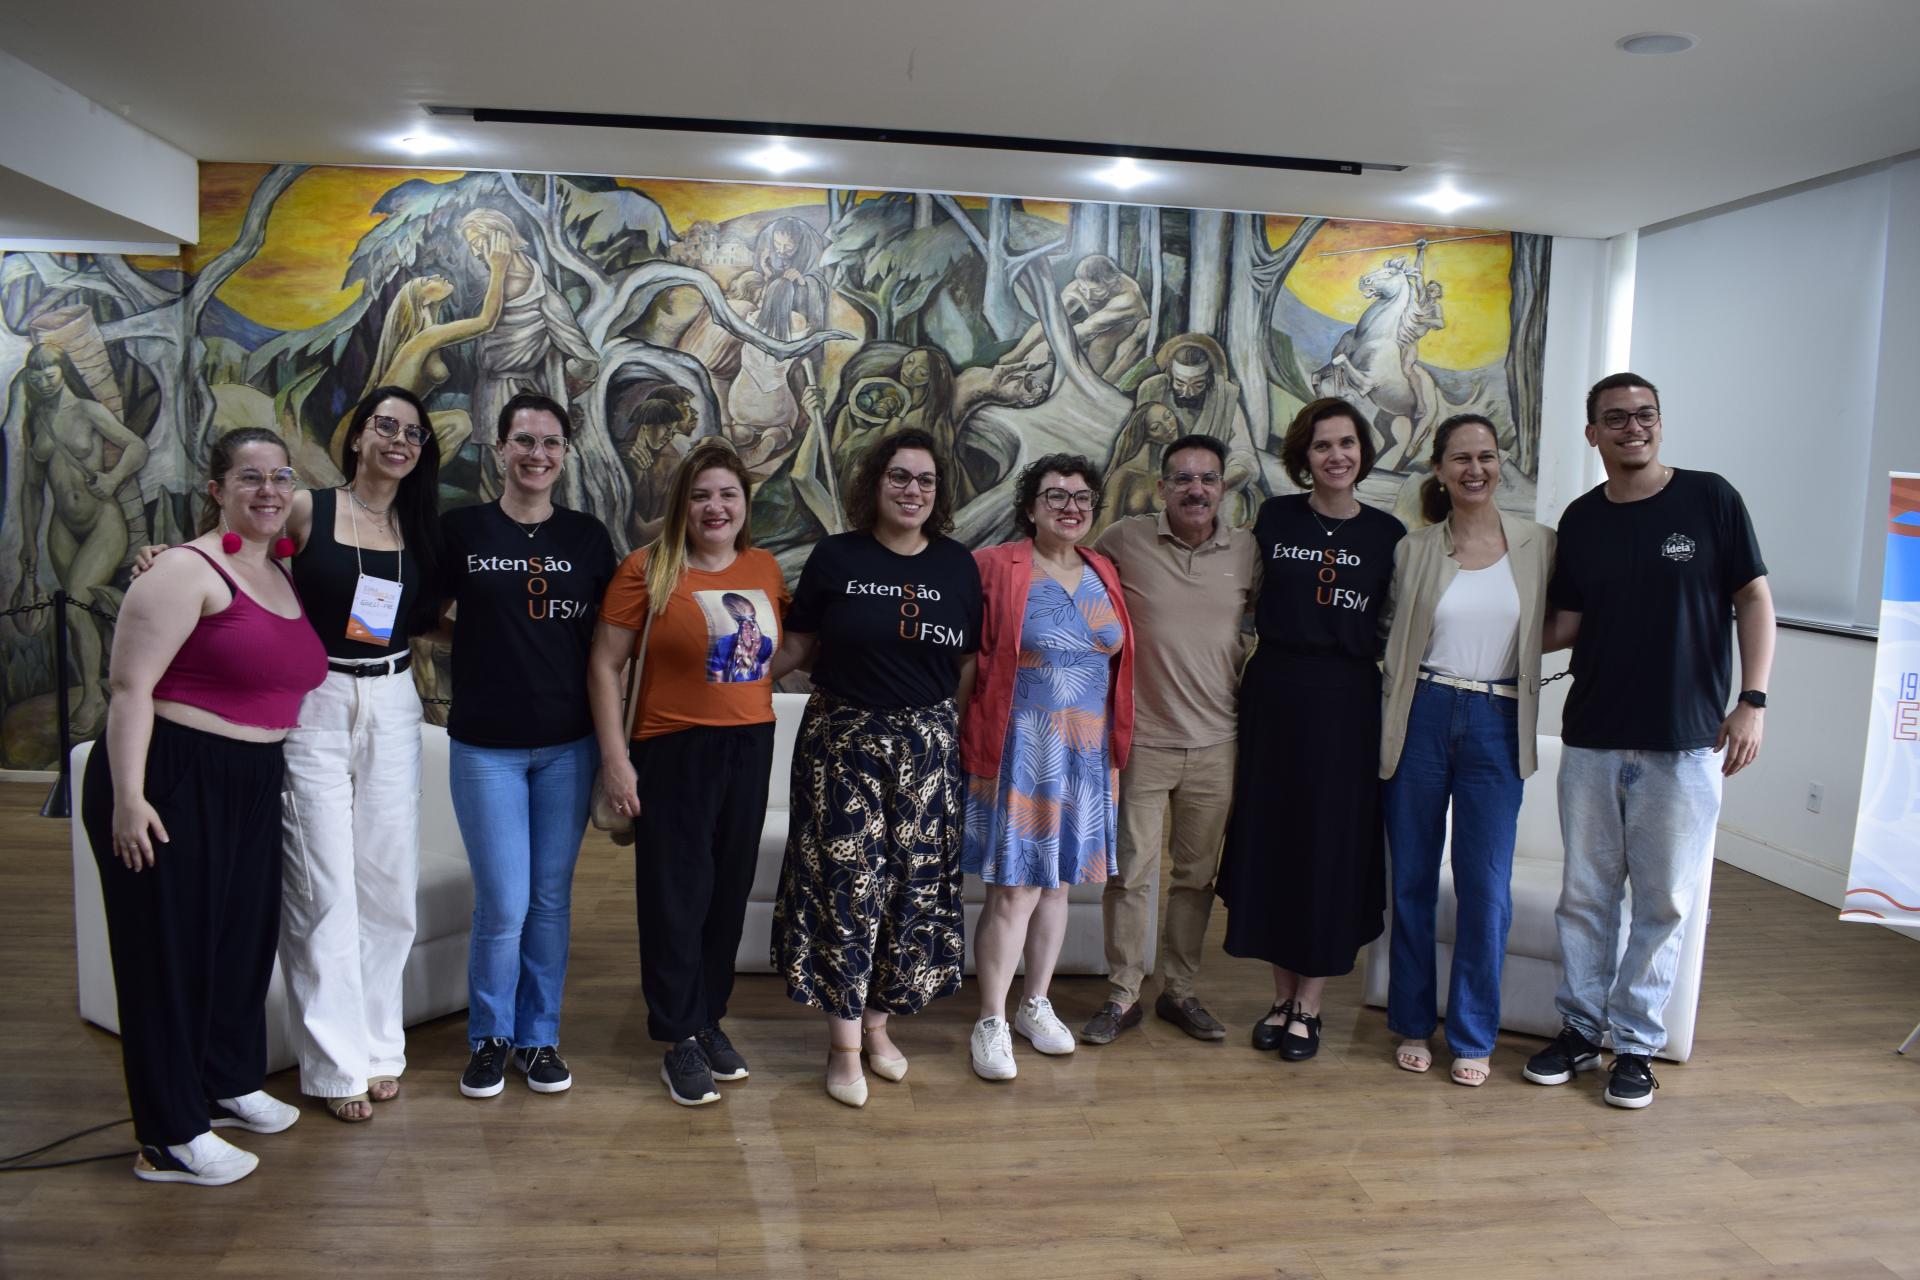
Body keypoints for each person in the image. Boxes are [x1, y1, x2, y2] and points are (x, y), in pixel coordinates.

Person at [81, 427, 327, 1184]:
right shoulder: (183, 570)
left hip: (254, 774)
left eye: (279, 477)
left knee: (239, 942)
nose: (268, 491)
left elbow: (328, 499)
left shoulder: (280, 570)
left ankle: (225, 1081)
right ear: (215, 488)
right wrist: (129, 798)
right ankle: (170, 1136)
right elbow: (129, 691)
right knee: (170, 955)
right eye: (247, 477)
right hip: (170, 773)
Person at [1525, 373, 1773, 1108]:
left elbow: (1753, 597)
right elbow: (1565, 623)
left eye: (1646, 415)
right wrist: (1473, 643)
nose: (1634, 427)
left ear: (1659, 424)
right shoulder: (1581, 519)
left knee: (1663, 900)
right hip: (1594, 738)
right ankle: (1579, 1028)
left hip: (1685, 744)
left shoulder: (1710, 499)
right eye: (1616, 418)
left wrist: (1752, 700)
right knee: (1587, 897)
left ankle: (1635, 1046)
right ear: (1592, 433)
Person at [768, 428, 983, 1107]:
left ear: (937, 493)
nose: (912, 490)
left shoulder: (957, 565)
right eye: (899, 477)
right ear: (875, 485)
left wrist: (947, 735)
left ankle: (880, 1025)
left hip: (926, 749)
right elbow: (796, 646)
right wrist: (725, 669)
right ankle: (843, 1046)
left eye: (924, 480)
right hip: (843, 743)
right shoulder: (837, 557)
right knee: (845, 889)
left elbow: (969, 663)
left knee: (910, 892)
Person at [589, 442, 789, 1107]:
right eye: (702, 495)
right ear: (684, 504)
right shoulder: (648, 568)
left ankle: (707, 1018)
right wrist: (616, 760)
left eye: (728, 494)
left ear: (744, 504)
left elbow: (776, 652)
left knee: (728, 891)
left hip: (749, 745)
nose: (716, 507)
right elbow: (605, 665)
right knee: (677, 896)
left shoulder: (764, 569)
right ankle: (676, 1036)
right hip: (672, 750)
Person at [441, 392, 616, 1100]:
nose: (536, 454)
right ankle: (490, 1035)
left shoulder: (587, 538)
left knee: (549, 899)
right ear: (499, 447)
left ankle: (538, 1039)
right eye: (523, 441)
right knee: (504, 900)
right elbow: (418, 613)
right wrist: (483, 644)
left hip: (567, 747)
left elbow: (610, 646)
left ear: (565, 453)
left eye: (549, 443)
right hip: (486, 747)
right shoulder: (461, 531)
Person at [276, 385, 445, 1121]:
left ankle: (380, 1049)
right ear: (357, 437)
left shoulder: (422, 528)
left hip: (394, 699)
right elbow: (235, 553)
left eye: (412, 432)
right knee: (325, 886)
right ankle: (333, 1065)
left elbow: (437, 619)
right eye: (386, 426)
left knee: (387, 883)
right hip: (314, 702)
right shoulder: (308, 508)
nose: (398, 440)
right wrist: (172, 553)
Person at [1218, 398, 1405, 1061]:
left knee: (1330, 847)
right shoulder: (1275, 517)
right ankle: (1279, 996)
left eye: (1347, 444)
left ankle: (1310, 1006)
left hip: (1348, 700)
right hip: (1275, 695)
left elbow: (1394, 626)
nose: (1336, 456)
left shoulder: (1389, 535)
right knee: (1277, 842)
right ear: (1304, 457)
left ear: (1362, 452)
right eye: (1323, 445)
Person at [1378, 413, 1558, 1086]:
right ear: (1439, 469)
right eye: (1461, 458)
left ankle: (1474, 1033)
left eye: (1486, 456)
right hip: (1423, 711)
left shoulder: (1540, 545)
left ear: (1500, 464)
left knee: (1485, 887)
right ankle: (1413, 1023)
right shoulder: (1414, 549)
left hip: (1497, 718)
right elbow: (1392, 632)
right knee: (1415, 880)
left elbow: (1561, 619)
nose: (1475, 468)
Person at [961, 454, 1135, 1080]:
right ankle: (990, 1019)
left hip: (1087, 754)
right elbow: (965, 662)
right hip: (1022, 747)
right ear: (1030, 506)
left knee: (1059, 884)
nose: (1070, 506)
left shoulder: (1101, 570)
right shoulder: (995, 567)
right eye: (1055, 495)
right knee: (1016, 889)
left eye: (1083, 497)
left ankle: (1035, 1004)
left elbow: (1114, 666)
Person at [1082, 433, 1258, 1046]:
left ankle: (1179, 992)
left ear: (1222, 489)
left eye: (1207, 479)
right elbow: (1072, 592)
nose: (1196, 489)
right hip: (1143, 741)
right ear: (1161, 488)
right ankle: (1124, 992)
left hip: (1218, 742)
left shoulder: (1247, 550)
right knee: (1130, 872)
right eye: (1182, 479)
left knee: (1196, 877)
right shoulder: (1124, 541)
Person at [13, 342, 150, 734]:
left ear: (64, 369)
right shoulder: (35, 419)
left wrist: (113, 477)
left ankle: (93, 696)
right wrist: (28, 544)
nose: (43, 379)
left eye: (49, 370)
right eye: (35, 372)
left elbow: (136, 446)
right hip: (62, 528)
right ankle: (93, 689)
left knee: (76, 607)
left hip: (101, 521)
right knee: (74, 614)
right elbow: (31, 489)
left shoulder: (88, 411)